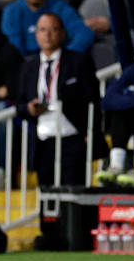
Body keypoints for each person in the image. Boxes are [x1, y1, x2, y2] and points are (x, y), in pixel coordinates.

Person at [15, 13, 107, 187]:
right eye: (42, 30)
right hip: (43, 141)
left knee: (74, 192)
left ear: (62, 33)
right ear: (36, 35)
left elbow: (93, 100)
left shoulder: (79, 61)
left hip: (73, 138)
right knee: (46, 193)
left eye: (53, 29)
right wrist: (29, 108)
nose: (47, 35)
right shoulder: (28, 66)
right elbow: (19, 105)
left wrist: (91, 133)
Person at [1, 0, 95, 57]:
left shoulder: (60, 7)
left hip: (58, 59)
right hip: (26, 62)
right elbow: (14, 47)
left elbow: (84, 33)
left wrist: (66, 57)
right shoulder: (11, 11)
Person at [95, 62, 134, 187]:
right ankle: (116, 165)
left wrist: (131, 94)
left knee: (127, 105)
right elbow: (109, 99)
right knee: (121, 112)